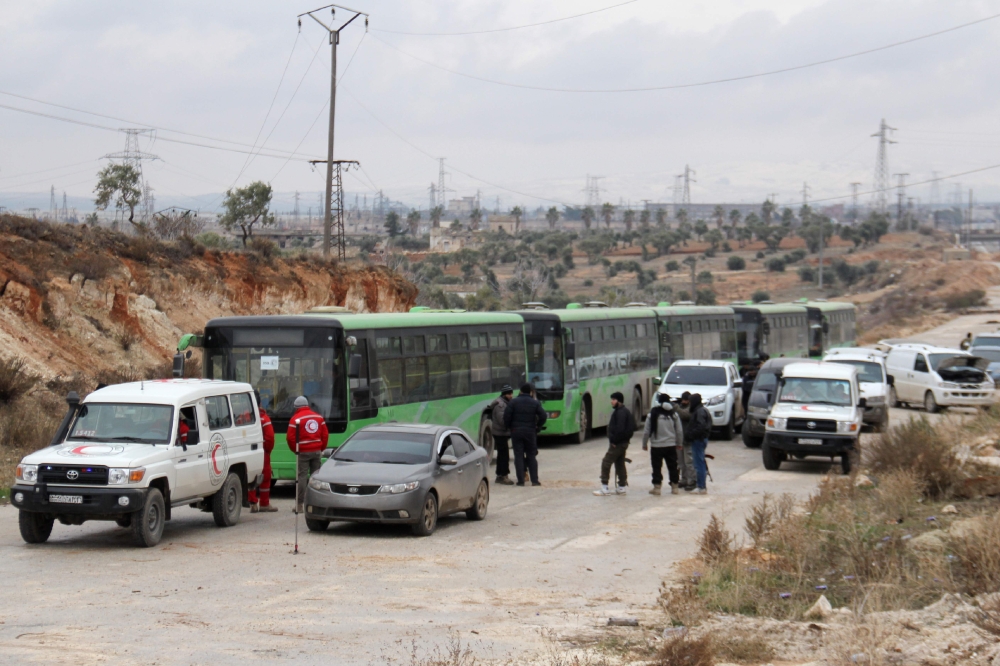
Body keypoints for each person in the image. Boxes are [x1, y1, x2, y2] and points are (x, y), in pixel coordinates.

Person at [286, 396, 329, 512]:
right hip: (316, 451)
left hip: (303, 452)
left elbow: (290, 438)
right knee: (316, 477)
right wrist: (321, 448)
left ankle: (300, 505)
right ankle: (317, 504)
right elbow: (325, 435)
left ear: (296, 407)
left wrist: (296, 450)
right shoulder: (318, 417)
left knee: (302, 477)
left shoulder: (295, 419)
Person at [502, 383, 547, 486]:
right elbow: (543, 416)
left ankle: (521, 481)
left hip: (516, 432)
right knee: (531, 455)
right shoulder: (535, 403)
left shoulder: (513, 402)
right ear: (530, 392)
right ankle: (534, 481)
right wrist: (538, 426)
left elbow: (506, 416)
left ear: (521, 391)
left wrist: (510, 427)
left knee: (518, 455)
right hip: (530, 432)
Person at [642, 393, 685, 495]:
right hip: (670, 445)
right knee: (673, 466)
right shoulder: (674, 414)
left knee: (656, 467)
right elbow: (679, 430)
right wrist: (679, 443)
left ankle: (657, 488)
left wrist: (644, 443)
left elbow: (646, 431)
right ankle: (675, 487)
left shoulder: (652, 414)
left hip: (656, 446)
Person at [594, 392, 635, 496]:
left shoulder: (620, 413)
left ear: (619, 401)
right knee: (620, 463)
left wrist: (614, 441)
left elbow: (619, 429)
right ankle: (621, 487)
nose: (611, 401)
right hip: (623, 443)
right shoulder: (624, 411)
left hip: (618, 443)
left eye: (613, 399)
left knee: (606, 462)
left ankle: (604, 487)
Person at [248, 393, 277, 513]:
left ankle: (253, 503)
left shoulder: (244, 418)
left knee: (250, 475)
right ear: (260, 403)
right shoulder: (264, 419)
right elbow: (270, 438)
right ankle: (264, 503)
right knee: (265, 476)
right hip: (262, 452)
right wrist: (267, 450)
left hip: (248, 451)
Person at [687, 393, 713, 495]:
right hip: (700, 439)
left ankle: (701, 486)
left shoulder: (700, 412)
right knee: (699, 462)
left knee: (699, 464)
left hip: (698, 440)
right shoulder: (703, 410)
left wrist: (691, 435)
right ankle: (701, 486)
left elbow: (700, 426)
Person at [489, 385, 515, 486]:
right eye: (509, 394)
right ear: (504, 394)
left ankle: (500, 475)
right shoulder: (501, 405)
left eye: (511, 393)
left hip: (501, 432)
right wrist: (511, 424)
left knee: (502, 454)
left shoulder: (504, 403)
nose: (511, 396)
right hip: (501, 433)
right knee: (504, 455)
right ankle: (503, 475)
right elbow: (502, 421)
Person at [676, 392, 697, 491]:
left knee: (689, 461)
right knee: (681, 462)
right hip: (680, 440)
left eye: (685, 400)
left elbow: (685, 415)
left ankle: (692, 480)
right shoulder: (681, 407)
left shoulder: (691, 409)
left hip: (688, 439)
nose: (684, 402)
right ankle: (684, 479)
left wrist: (675, 408)